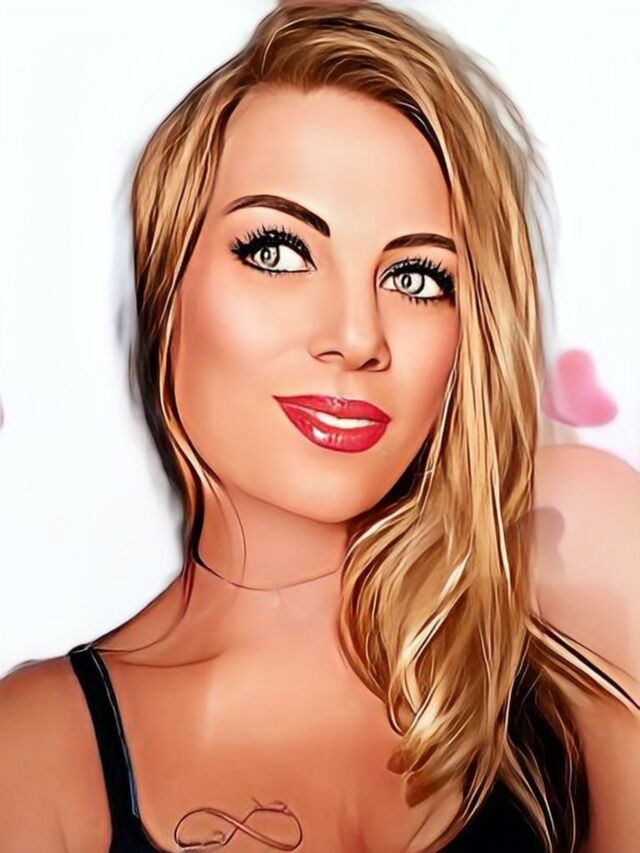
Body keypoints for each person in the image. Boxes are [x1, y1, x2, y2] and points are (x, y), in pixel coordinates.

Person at [1, 2, 638, 851]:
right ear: (168, 286)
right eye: (277, 251)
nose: (358, 335)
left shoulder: (574, 587)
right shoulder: (40, 751)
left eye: (416, 277)